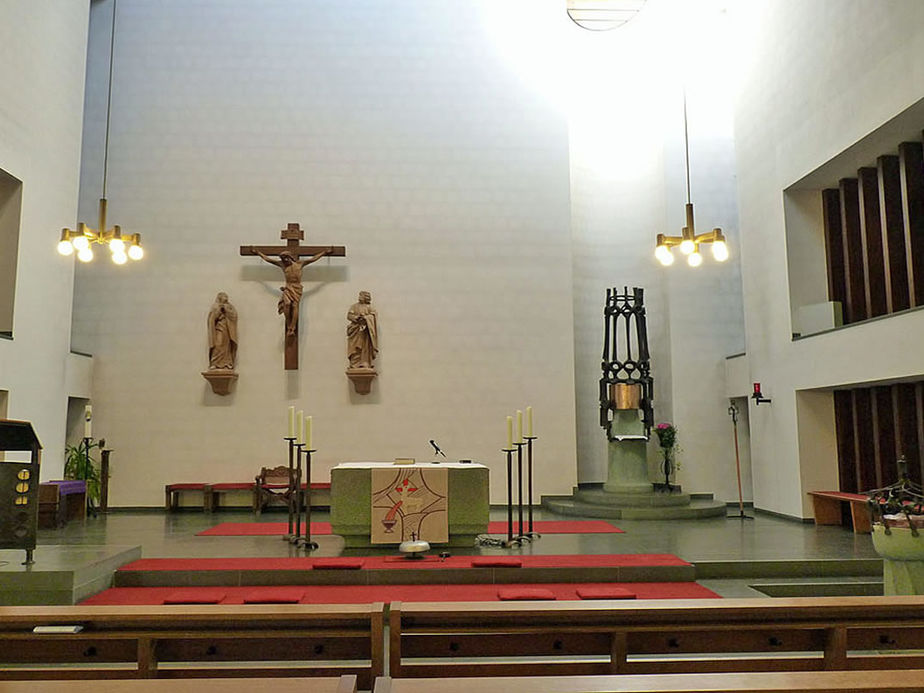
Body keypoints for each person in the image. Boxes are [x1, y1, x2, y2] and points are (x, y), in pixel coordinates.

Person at [254, 247, 331, 336]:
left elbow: (313, 259)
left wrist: (324, 252)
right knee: (287, 304)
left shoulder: (300, 264)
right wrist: (258, 253)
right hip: (288, 287)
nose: (285, 260)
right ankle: (289, 324)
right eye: (283, 259)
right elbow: (268, 260)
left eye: (286, 258)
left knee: (294, 305)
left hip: (297, 287)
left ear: (290, 257)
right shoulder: (282, 265)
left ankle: (292, 328)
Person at [347, 290, 378, 369]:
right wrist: (356, 318)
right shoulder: (354, 306)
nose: (359, 297)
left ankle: (365, 362)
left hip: (365, 332)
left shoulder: (369, 307)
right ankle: (355, 363)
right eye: (359, 296)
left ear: (366, 298)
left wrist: (366, 318)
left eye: (361, 296)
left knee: (365, 347)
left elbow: (373, 316)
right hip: (355, 331)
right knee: (355, 347)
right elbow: (349, 315)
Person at [207, 292, 238, 370]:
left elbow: (234, 316)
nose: (226, 298)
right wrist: (219, 311)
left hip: (227, 330)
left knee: (227, 346)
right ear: (220, 297)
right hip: (219, 329)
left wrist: (226, 310)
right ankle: (215, 362)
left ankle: (227, 363)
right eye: (224, 296)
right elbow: (212, 318)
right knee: (218, 344)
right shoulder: (215, 306)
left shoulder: (230, 307)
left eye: (226, 296)